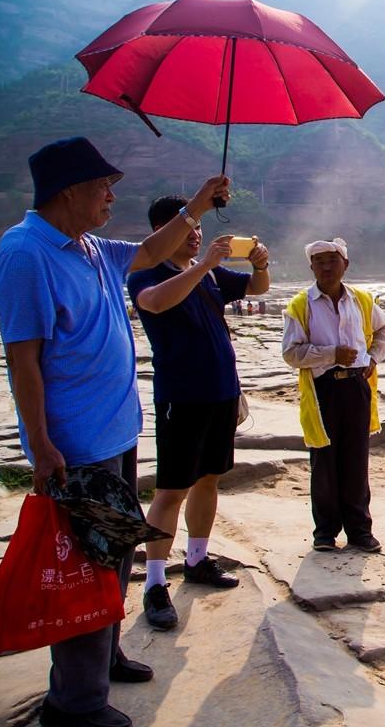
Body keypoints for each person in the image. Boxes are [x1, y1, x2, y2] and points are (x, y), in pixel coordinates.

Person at [0, 136, 227, 727]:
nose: (111, 196)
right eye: (103, 186)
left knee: (112, 559)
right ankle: (76, 703)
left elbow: (150, 250)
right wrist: (41, 444)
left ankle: (105, 655)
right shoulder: (26, 254)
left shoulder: (90, 246)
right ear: (69, 190)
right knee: (83, 570)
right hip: (75, 447)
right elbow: (23, 359)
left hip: (115, 434)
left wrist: (197, 204)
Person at [127, 195, 270, 631]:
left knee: (209, 479)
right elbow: (153, 304)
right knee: (171, 489)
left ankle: (197, 559)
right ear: (160, 232)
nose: (194, 234)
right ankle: (154, 583)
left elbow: (256, 290)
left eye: (198, 230)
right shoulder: (146, 273)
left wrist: (260, 265)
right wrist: (204, 265)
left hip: (221, 394)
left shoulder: (211, 275)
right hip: (181, 398)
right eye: (185, 228)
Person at [281, 238, 385, 553]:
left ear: (345, 264)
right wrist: (331, 355)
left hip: (357, 385)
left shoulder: (363, 300)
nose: (326, 267)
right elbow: (291, 353)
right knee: (324, 461)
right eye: (319, 261)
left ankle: (359, 531)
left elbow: (384, 329)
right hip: (322, 390)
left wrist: (372, 358)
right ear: (311, 267)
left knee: (356, 460)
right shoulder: (301, 305)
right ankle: (325, 533)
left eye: (332, 260)